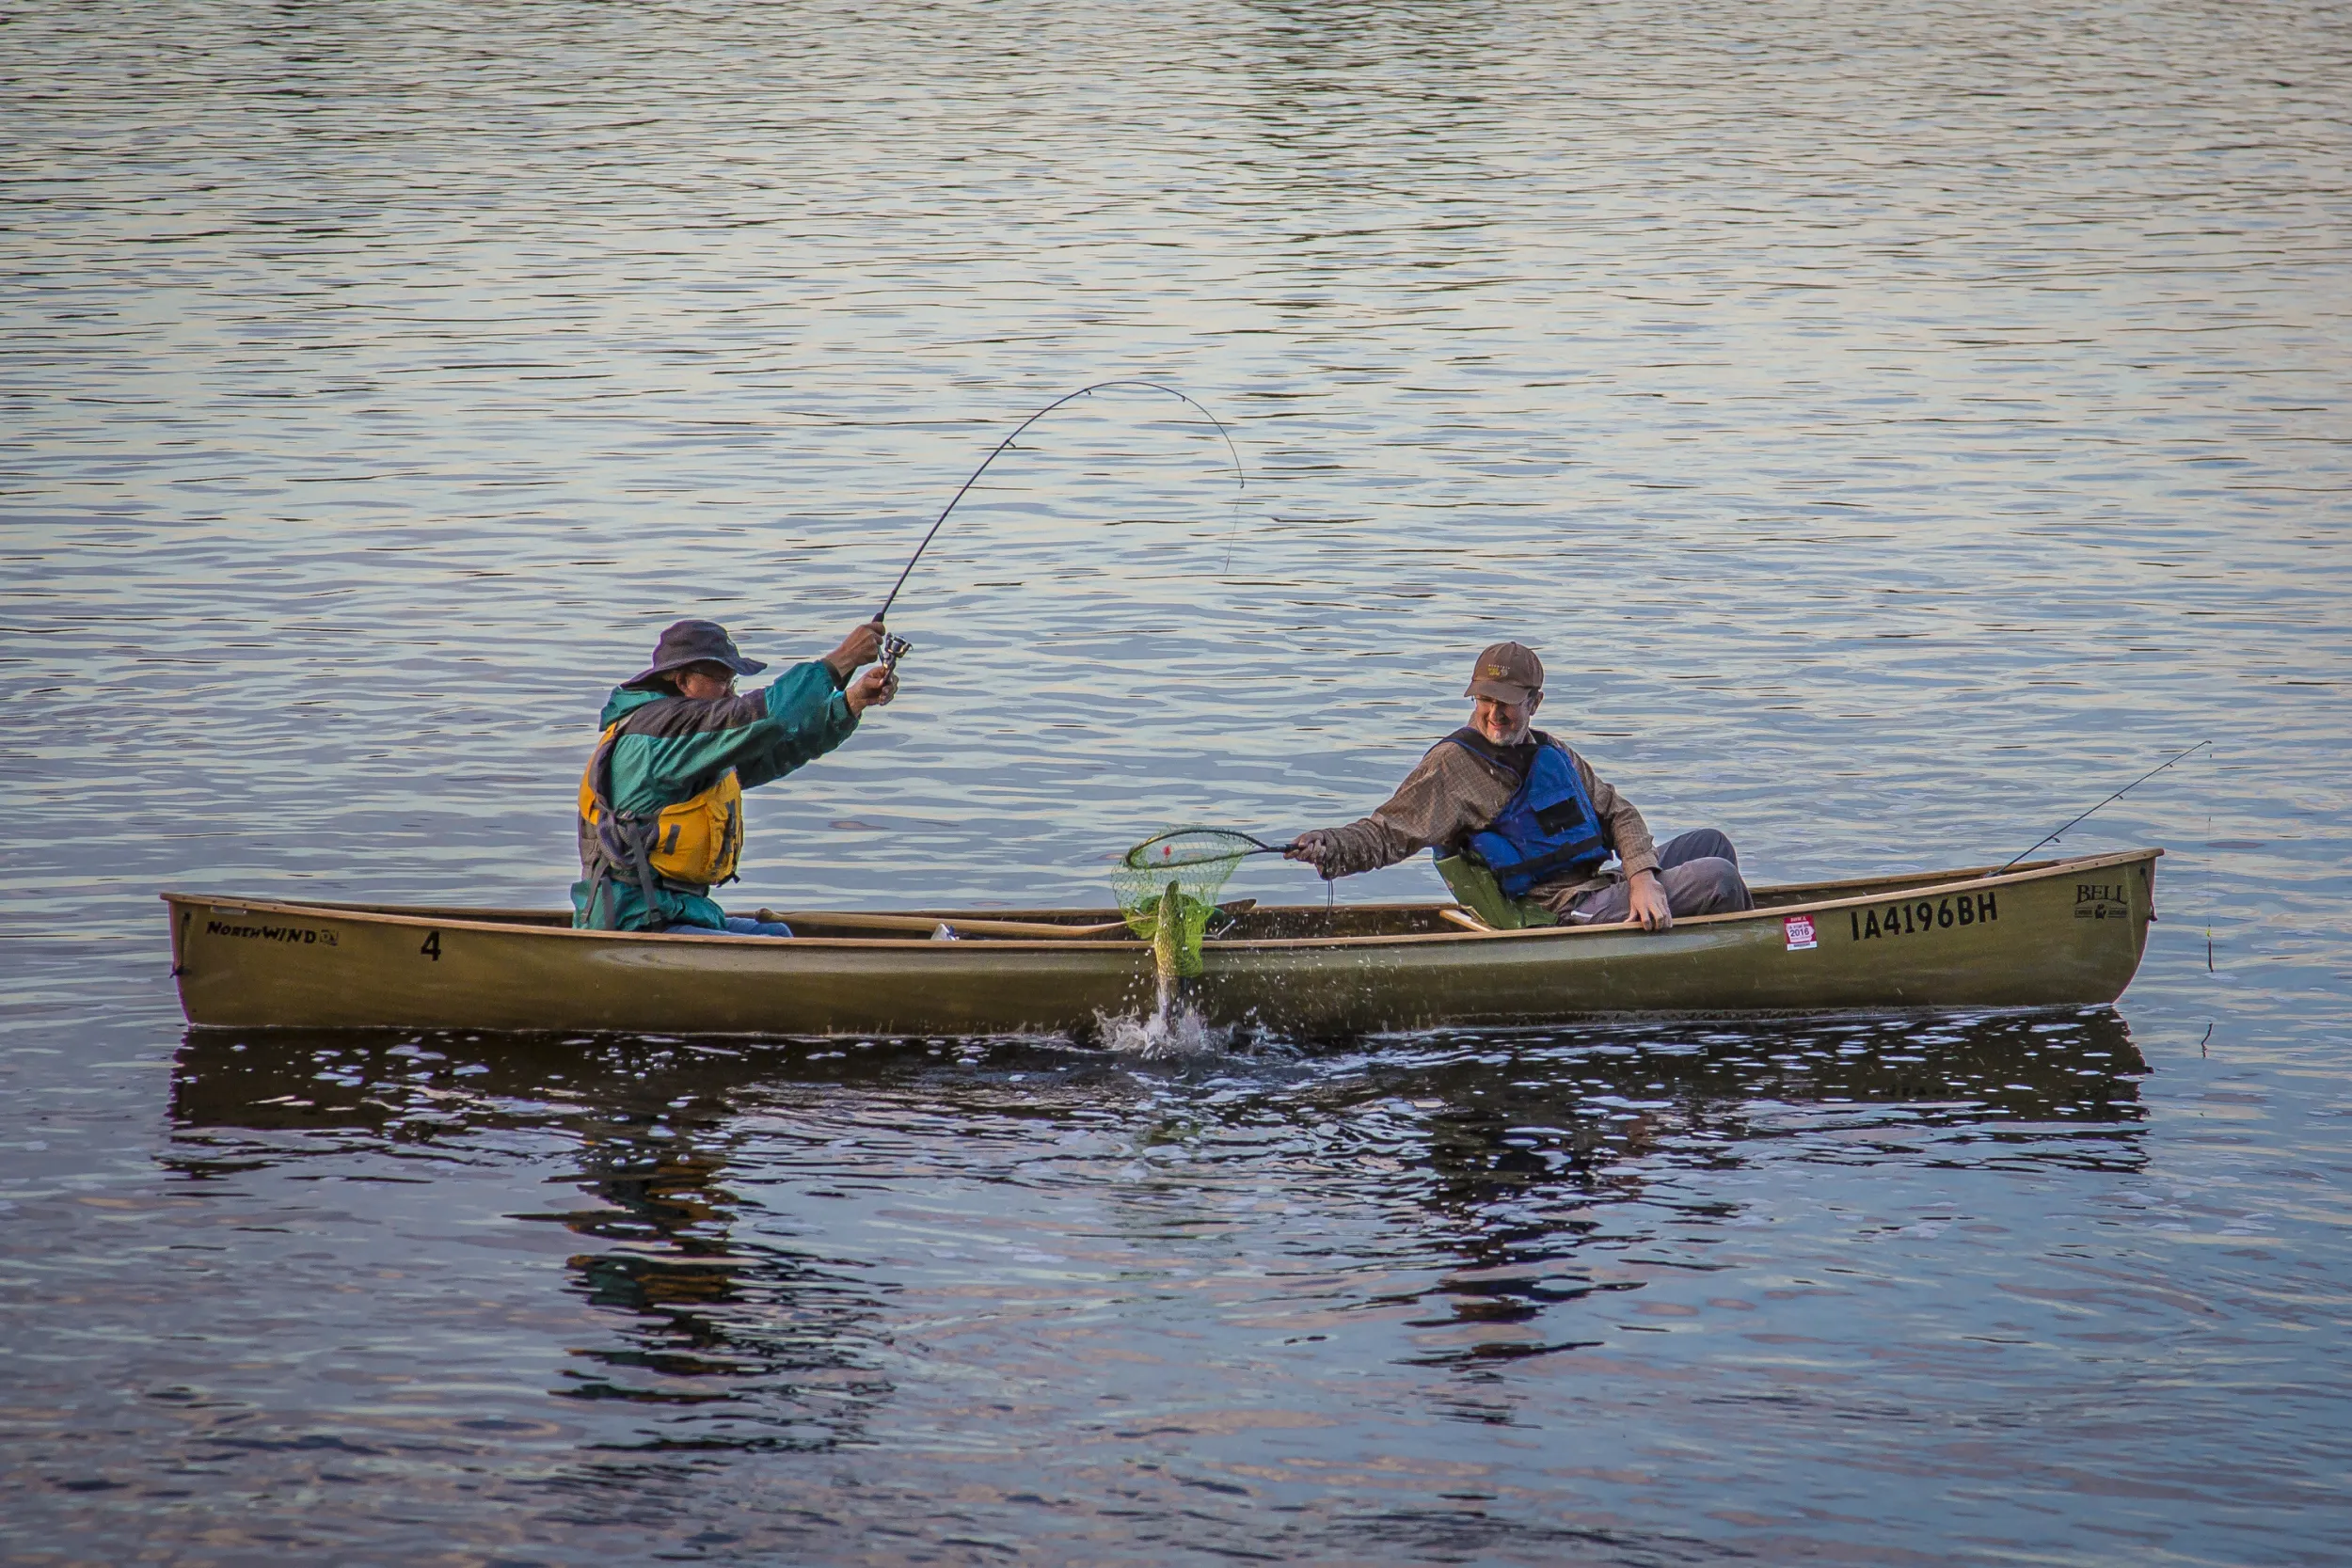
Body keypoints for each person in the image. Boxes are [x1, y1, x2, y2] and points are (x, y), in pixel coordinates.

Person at [1286, 641, 1751, 930]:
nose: (1494, 713)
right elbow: (1386, 833)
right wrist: (1329, 846)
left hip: (1600, 884)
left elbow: (1619, 813)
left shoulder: (1553, 753)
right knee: (1717, 878)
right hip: (1558, 910)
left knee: (1713, 843)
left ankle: (1685, 945)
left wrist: (1643, 879)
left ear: (1536, 703)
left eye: (1507, 703)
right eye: (1485, 700)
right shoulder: (1453, 767)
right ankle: (1739, 964)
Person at [574, 617, 897, 935]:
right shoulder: (661, 732)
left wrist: (851, 703)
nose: (730, 694)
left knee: (777, 935)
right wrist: (840, 660)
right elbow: (766, 715)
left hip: (677, 912)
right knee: (774, 956)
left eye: (733, 682)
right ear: (682, 680)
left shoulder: (693, 745)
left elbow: (775, 751)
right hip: (635, 922)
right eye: (720, 680)